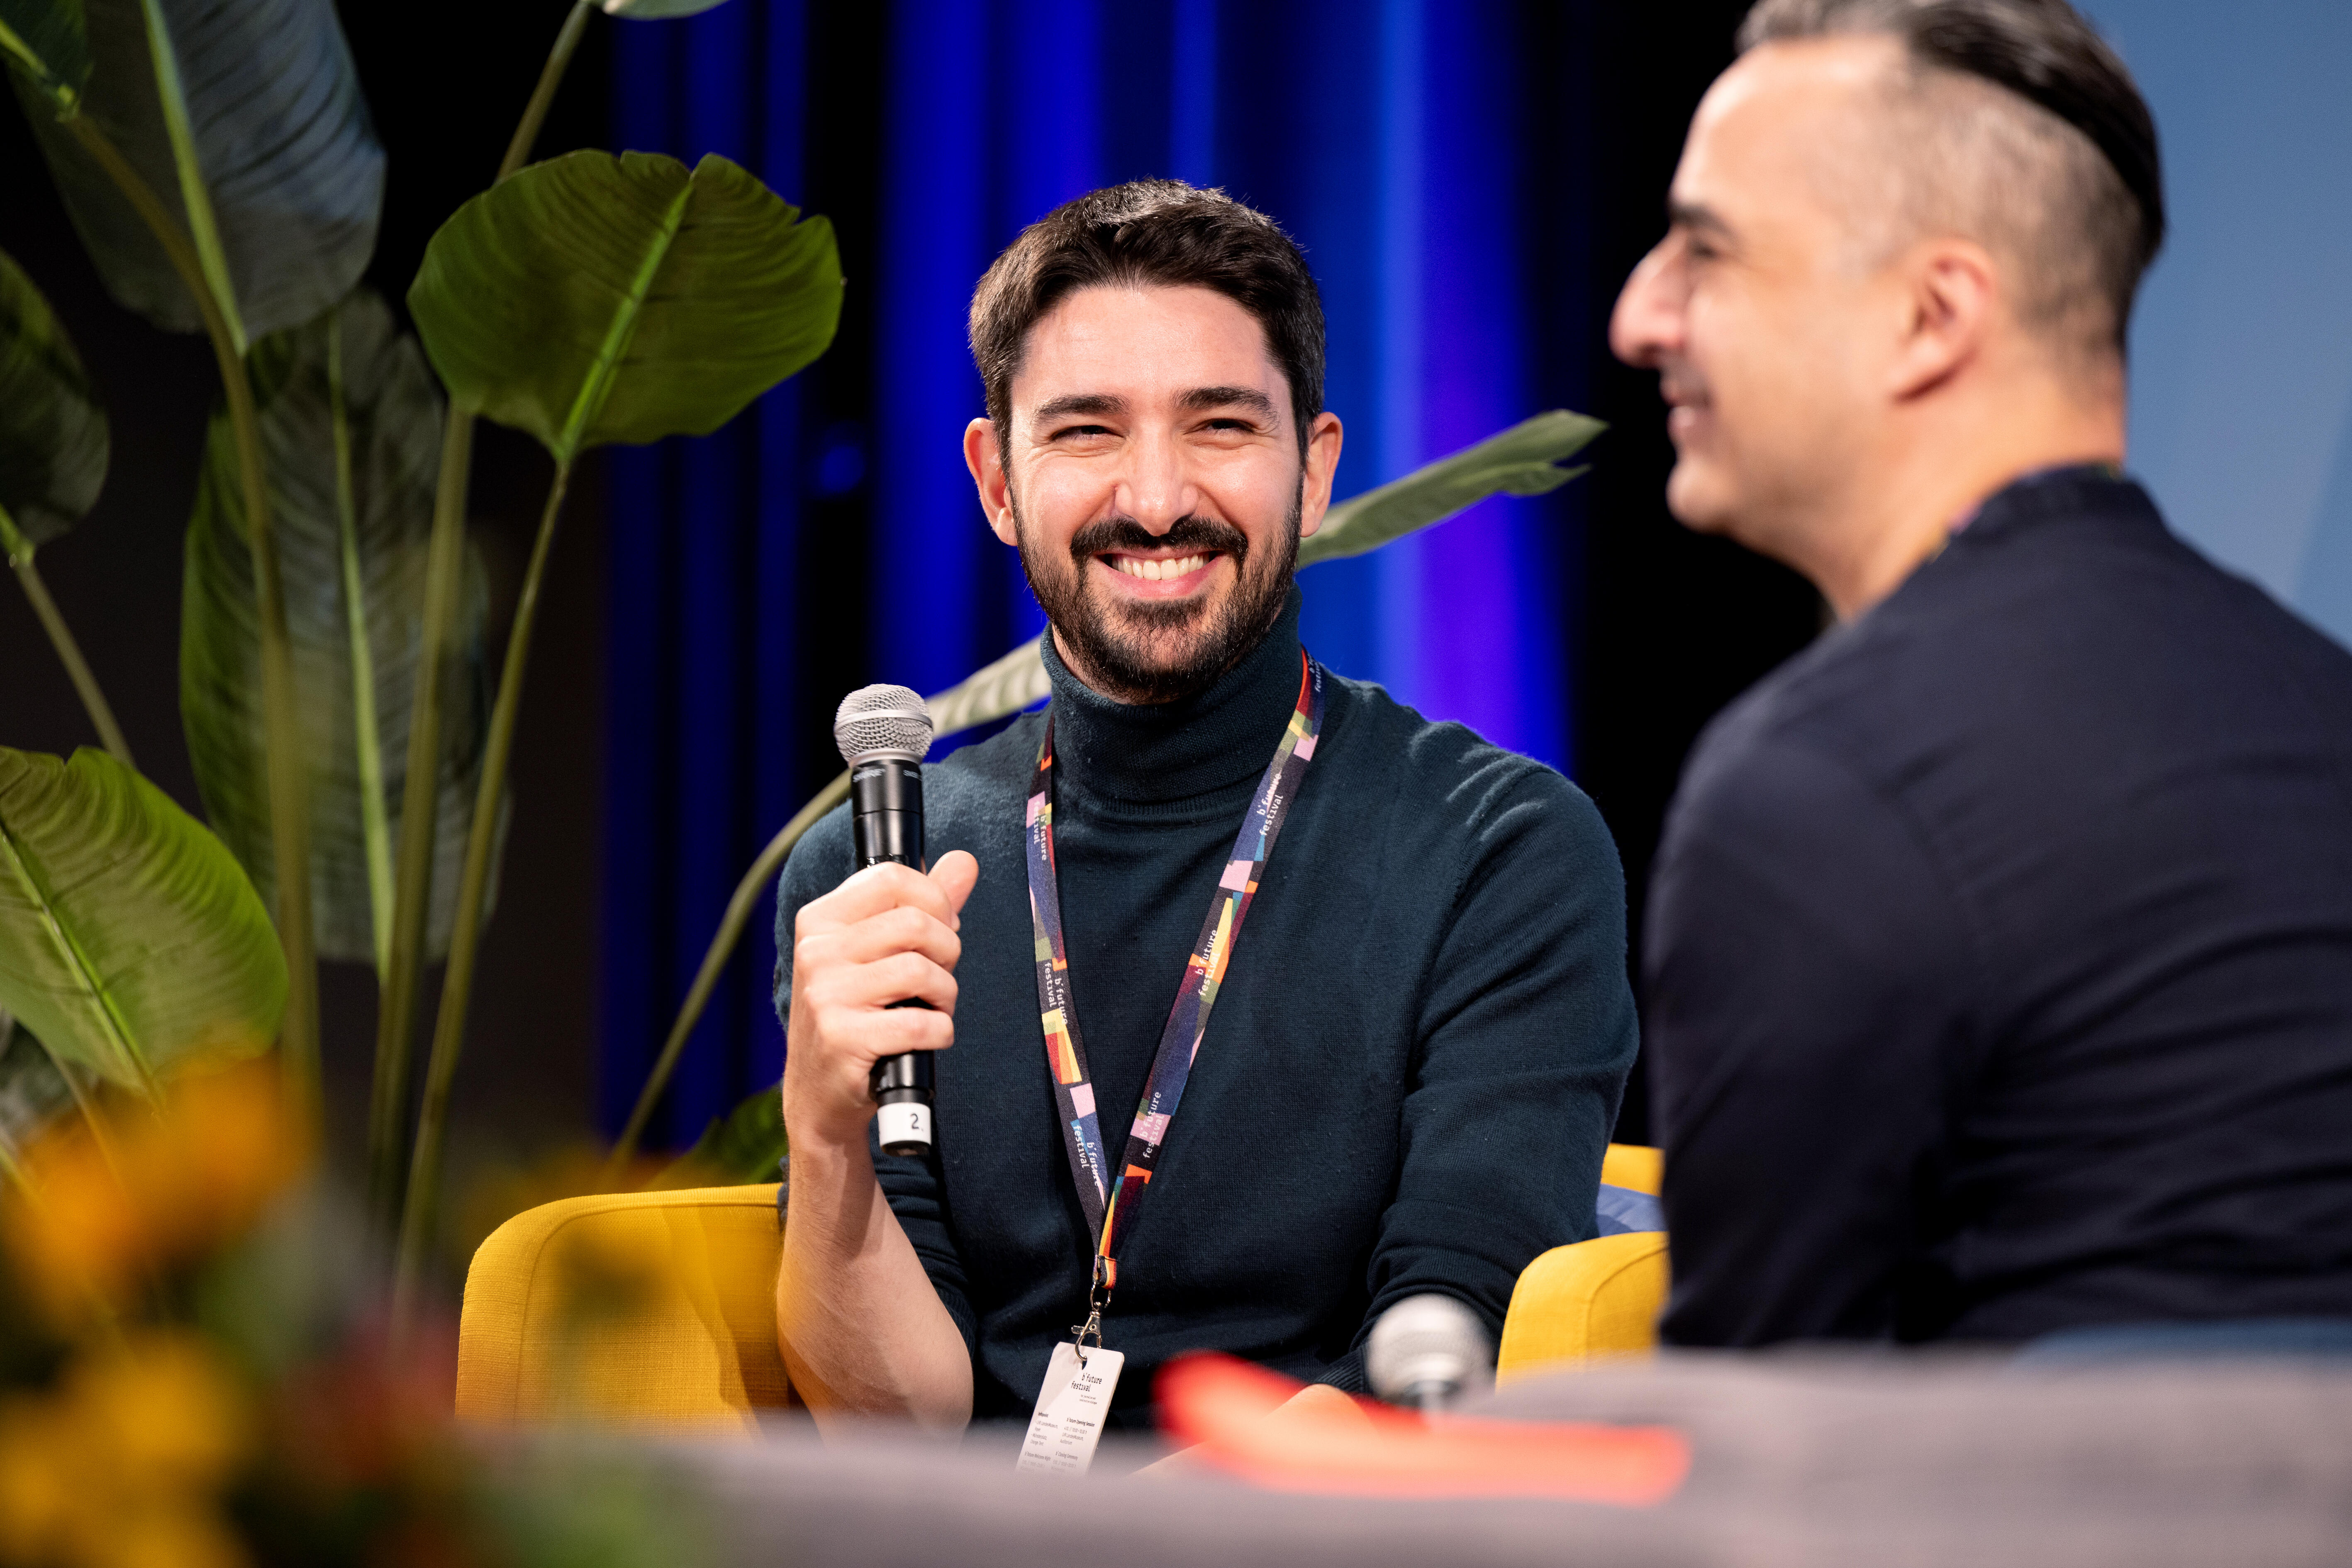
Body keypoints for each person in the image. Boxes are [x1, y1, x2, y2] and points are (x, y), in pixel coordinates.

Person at [772, 180, 1639, 1432]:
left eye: (1221, 425)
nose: (1159, 495)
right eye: (1085, 431)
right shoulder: (877, 874)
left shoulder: (1498, 848)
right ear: (997, 479)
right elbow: (899, 1410)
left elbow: (1451, 1343)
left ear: (1316, 469)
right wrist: (826, 1138)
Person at [1612, 0, 2352, 1349]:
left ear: (1930, 317)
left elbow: (1752, 1466)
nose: (1637, 315)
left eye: (1704, 250)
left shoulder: (1818, 790)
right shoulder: (2330, 703)